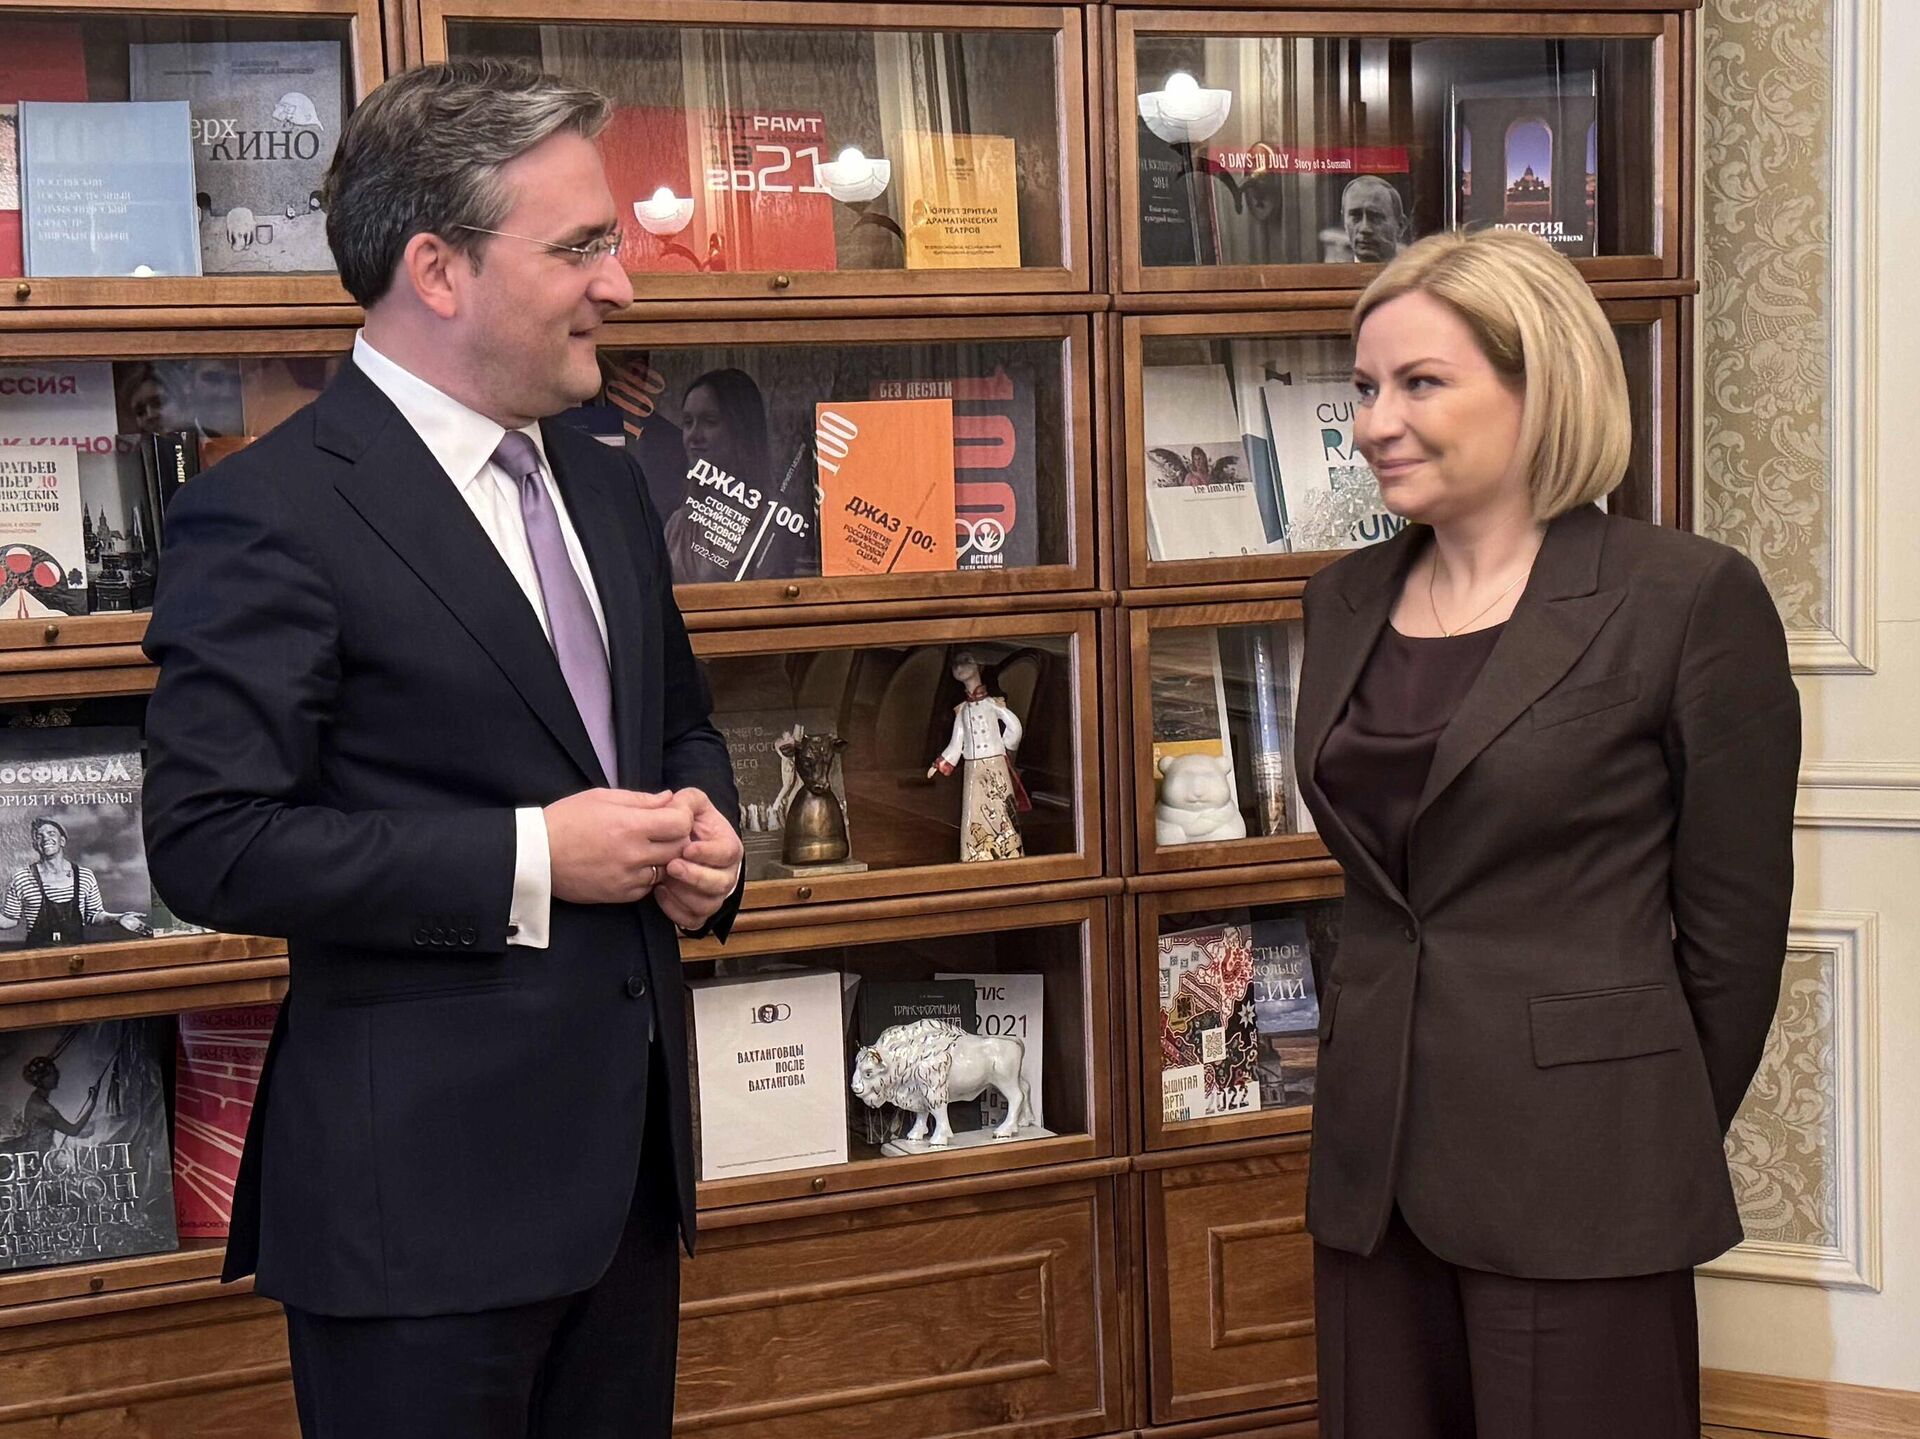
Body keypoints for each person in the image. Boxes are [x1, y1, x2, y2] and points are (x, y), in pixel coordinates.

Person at [140, 59, 744, 1439]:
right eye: (581, 246)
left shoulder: (603, 480)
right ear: (437, 269)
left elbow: (677, 722)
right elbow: (211, 840)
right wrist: (533, 856)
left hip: (628, 1190)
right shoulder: (272, 512)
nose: (622, 286)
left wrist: (708, 831)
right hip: (414, 1227)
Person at [1292, 228, 1798, 1438]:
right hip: (1373, 1167)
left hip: (1585, 1170)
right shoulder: (1342, 598)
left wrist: (1635, 1119)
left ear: (1541, 388)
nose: (1374, 422)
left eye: (1421, 382)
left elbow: (1734, 938)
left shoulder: (1687, 598)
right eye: (1365, 387)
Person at [0, 818, 150, 946]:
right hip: (37, 958)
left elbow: (94, 915)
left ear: (62, 841)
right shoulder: (22, 878)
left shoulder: (85, 876)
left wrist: (118, 918)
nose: (45, 838)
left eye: (51, 833)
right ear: (35, 845)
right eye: (39, 836)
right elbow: (9, 920)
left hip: (76, 957)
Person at [1340, 174, 1407, 264]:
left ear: (1400, 226)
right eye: (1356, 217)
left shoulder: (1414, 270)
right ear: (1344, 221)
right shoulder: (1332, 270)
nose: (1365, 228)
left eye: (1375, 218)